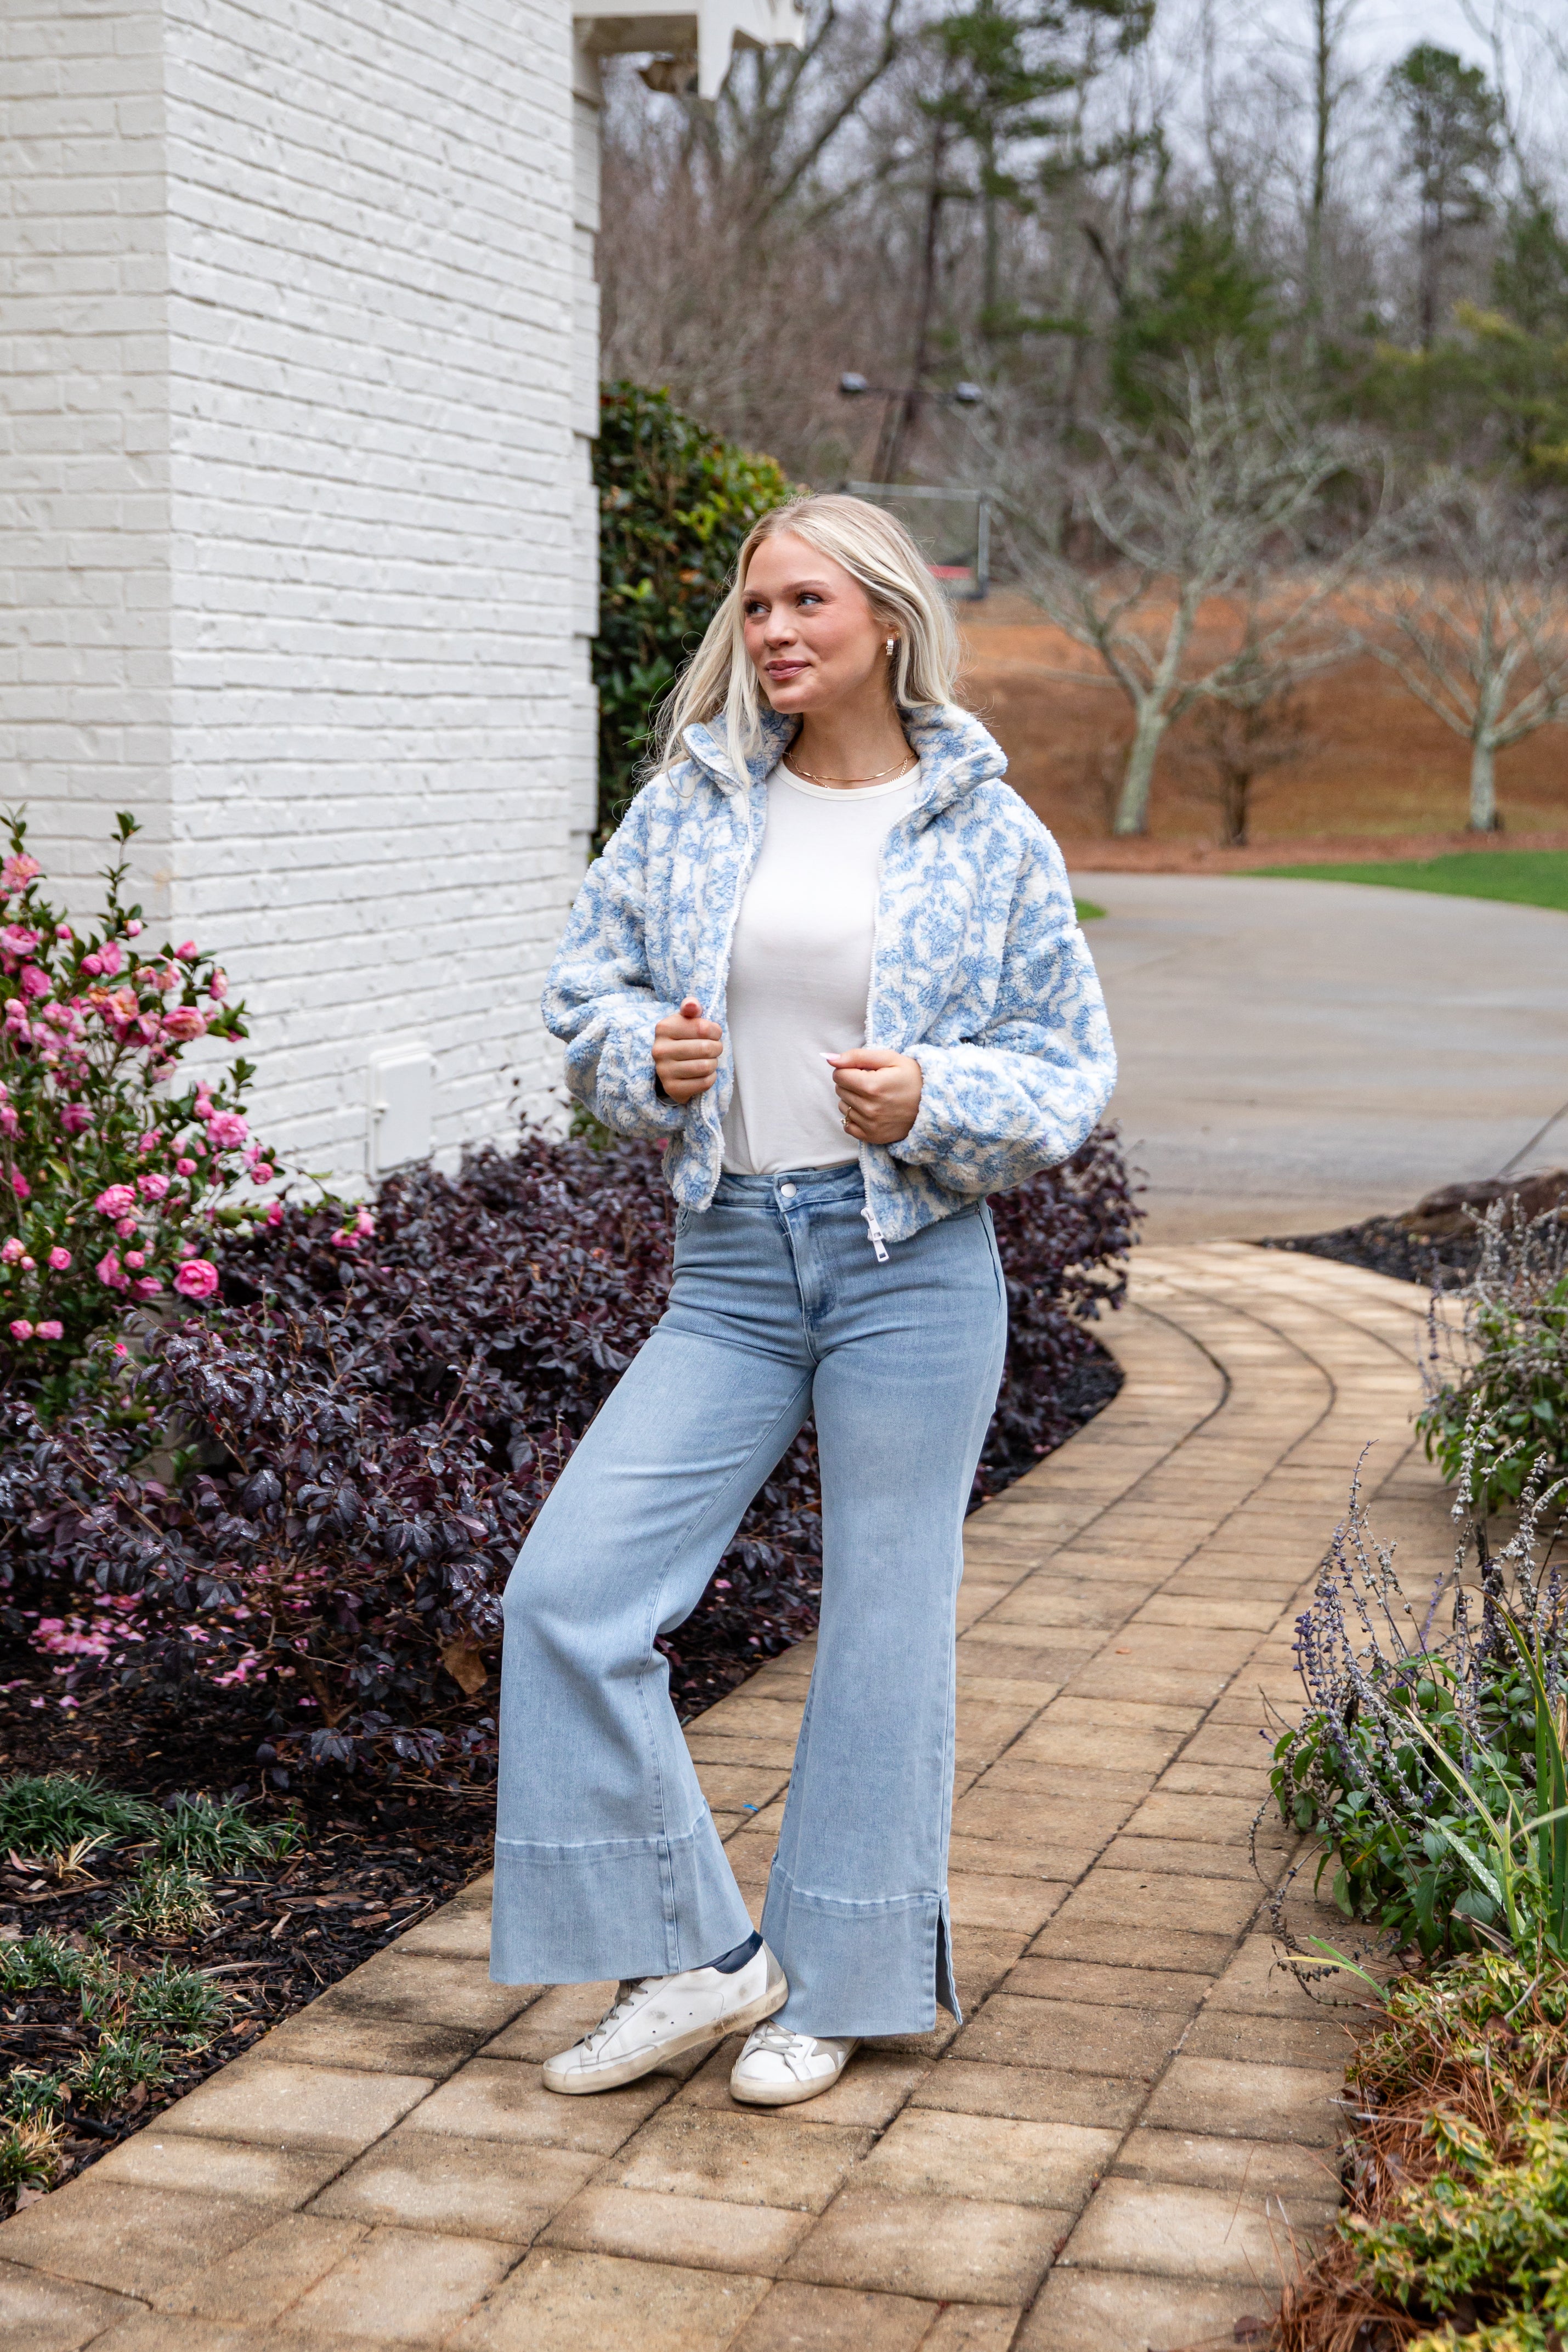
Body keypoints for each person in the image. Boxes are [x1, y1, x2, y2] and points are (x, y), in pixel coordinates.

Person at [489, 492, 1115, 2107]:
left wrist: (932, 1095)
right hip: (732, 1265)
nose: (771, 631)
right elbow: (590, 995)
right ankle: (699, 1956)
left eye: (805, 604)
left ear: (885, 622)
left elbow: (1066, 1072)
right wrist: (645, 1059)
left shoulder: (985, 827)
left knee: (882, 1632)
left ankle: (834, 1987)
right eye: (756, 605)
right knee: (567, 1596)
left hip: (910, 1268)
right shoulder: (690, 807)